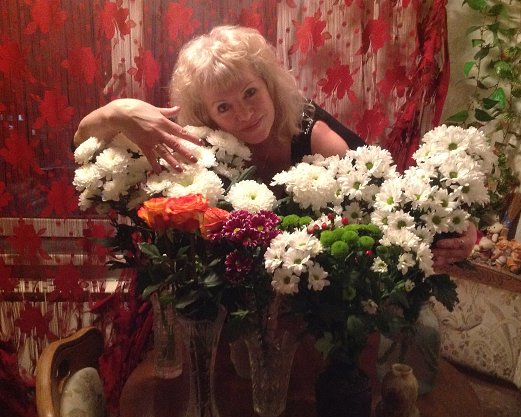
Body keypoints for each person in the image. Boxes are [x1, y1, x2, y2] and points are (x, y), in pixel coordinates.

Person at [73, 25, 475, 267]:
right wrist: (119, 110)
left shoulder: (313, 132)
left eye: (251, 92)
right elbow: (80, 141)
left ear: (269, 85)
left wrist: (461, 230)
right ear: (207, 116)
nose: (245, 113)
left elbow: (392, 194)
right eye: (224, 107)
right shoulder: (201, 142)